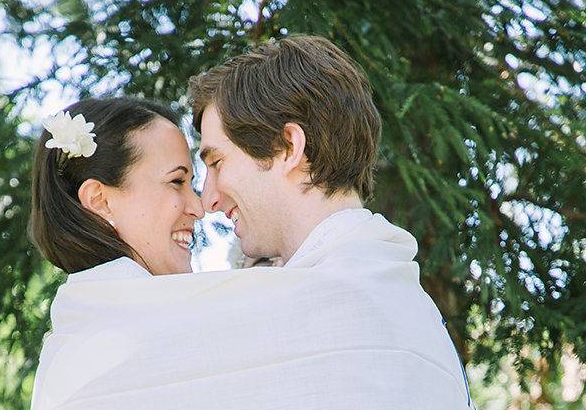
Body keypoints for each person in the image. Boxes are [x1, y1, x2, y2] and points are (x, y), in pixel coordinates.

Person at [189, 34, 474, 408]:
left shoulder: (323, 314)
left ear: (290, 147)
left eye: (216, 162)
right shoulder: (415, 312)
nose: (208, 199)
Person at [28, 97, 204, 408]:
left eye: (192, 184)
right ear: (100, 200)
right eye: (176, 181)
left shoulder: (78, 340)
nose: (198, 208)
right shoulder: (126, 342)